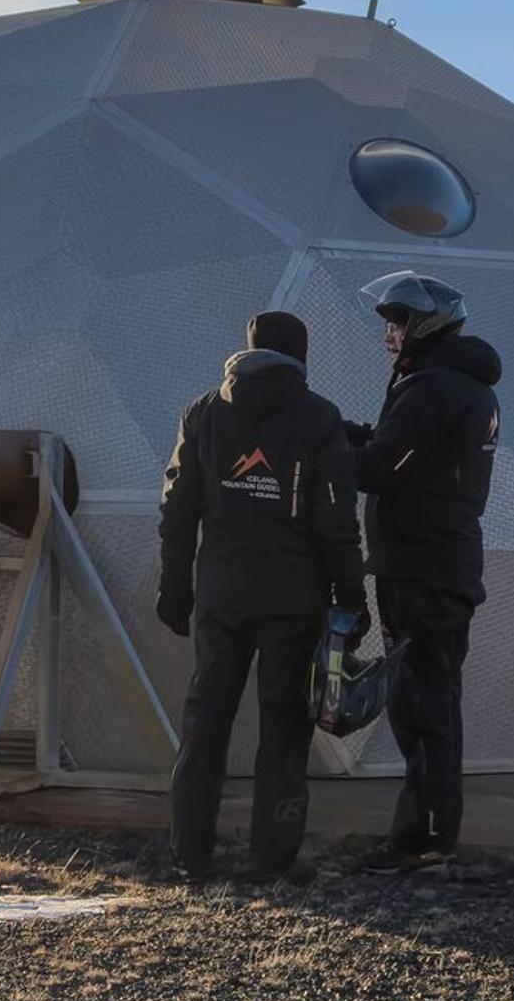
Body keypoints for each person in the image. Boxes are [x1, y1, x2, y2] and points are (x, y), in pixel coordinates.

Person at [156, 309, 368, 884]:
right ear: (301, 355)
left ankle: (188, 855)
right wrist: (351, 596)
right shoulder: (319, 418)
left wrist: (174, 590)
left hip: (221, 598)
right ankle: (272, 860)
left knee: (205, 725)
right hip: (293, 604)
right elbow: (336, 521)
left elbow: (178, 510)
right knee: (283, 733)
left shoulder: (204, 413)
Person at [342, 270, 502, 866]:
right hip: (433, 562)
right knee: (429, 697)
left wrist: (311, 453)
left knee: (423, 702)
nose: (388, 335)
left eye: (397, 323)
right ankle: (430, 832)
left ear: (425, 325)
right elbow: (391, 444)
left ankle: (424, 838)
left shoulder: (435, 388)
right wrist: (334, 428)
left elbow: (382, 466)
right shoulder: (450, 384)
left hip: (423, 567)